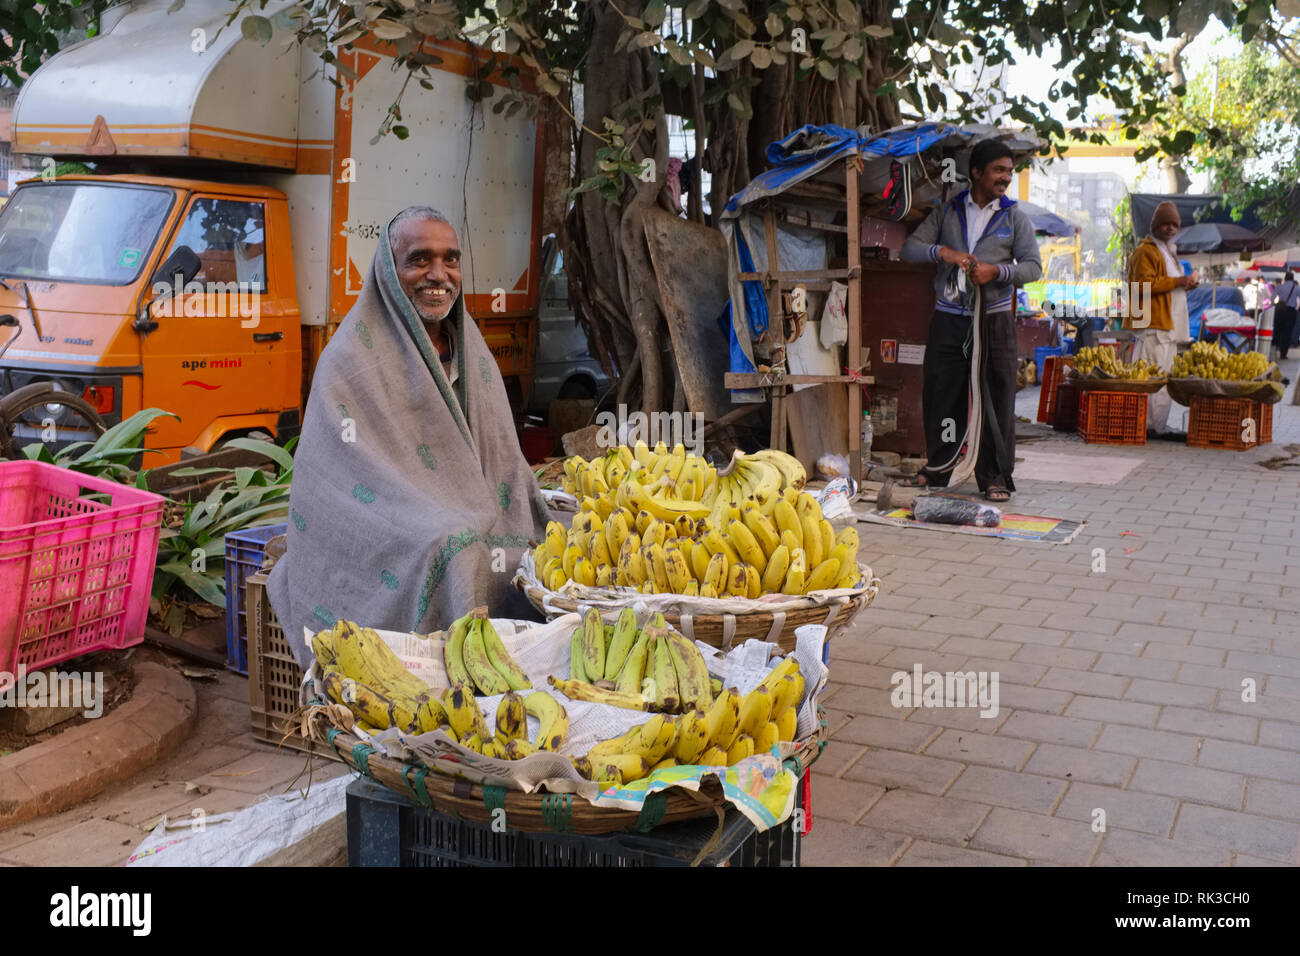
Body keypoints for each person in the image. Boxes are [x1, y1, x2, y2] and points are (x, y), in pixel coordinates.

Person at [268, 206, 551, 670]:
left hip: (473, 502)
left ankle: (528, 663)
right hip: (382, 517)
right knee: (454, 548)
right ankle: (459, 679)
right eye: (420, 260)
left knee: (544, 529)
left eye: (451, 260)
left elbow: (503, 457)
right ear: (389, 269)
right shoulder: (351, 358)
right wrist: (443, 516)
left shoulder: (470, 352)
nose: (439, 275)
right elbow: (350, 474)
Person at [899, 139, 1042, 501]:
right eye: (998, 170)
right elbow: (911, 249)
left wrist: (997, 271)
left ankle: (994, 476)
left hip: (994, 322)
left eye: (1009, 171)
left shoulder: (1015, 218)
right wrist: (944, 252)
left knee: (997, 397)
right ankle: (942, 468)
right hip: (949, 319)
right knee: (943, 395)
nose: (1006, 178)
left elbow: (1033, 268)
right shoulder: (947, 212)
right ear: (976, 172)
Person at [1123, 201, 1198, 439]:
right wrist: (1178, 282)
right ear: (1155, 226)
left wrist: (1186, 284)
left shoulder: (1168, 252)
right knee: (1151, 380)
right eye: (1165, 224)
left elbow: (1169, 288)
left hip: (1168, 327)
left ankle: (1156, 427)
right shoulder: (1145, 251)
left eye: (1174, 225)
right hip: (1153, 327)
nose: (1170, 228)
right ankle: (1146, 427)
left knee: (1162, 380)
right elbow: (1141, 287)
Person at [1277, 271, 1299, 358]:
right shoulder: (1297, 288)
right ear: (1293, 278)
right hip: (1291, 311)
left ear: (1285, 278)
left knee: (1281, 330)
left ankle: (1279, 347)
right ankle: (1284, 353)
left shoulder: (1280, 287)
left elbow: (1272, 298)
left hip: (1281, 310)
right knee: (1288, 331)